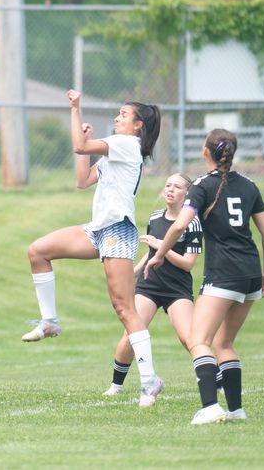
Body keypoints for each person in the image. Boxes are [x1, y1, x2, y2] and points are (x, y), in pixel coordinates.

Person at [23, 89, 163, 407]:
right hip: (97, 230)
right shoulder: (117, 148)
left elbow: (77, 144)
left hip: (117, 231)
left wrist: (75, 110)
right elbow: (83, 179)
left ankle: (150, 380)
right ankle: (50, 321)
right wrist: (86, 144)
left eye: (124, 115)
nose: (117, 118)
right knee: (38, 251)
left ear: (139, 126)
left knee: (124, 309)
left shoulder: (126, 144)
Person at [144, 129, 264, 425]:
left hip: (223, 275)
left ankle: (211, 407)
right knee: (224, 342)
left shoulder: (201, 185)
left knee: (199, 339)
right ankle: (237, 410)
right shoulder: (250, 185)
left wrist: (161, 253)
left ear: (205, 152)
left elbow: (178, 227)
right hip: (251, 274)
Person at [102, 173, 202, 398]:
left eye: (177, 187)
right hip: (150, 285)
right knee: (130, 334)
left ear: (187, 194)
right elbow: (150, 254)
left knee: (189, 337)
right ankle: (116, 386)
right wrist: (133, 271)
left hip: (177, 289)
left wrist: (161, 247)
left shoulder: (192, 222)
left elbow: (187, 264)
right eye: (168, 185)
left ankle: (213, 379)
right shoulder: (155, 217)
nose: (170, 190)